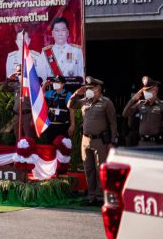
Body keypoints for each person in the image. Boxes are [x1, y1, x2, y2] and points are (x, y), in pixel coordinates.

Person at [68, 76, 118, 206]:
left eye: (91, 88)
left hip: (100, 141)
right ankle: (91, 196)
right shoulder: (85, 101)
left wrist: (112, 141)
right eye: (88, 88)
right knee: (88, 169)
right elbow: (70, 105)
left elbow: (113, 123)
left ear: (98, 89)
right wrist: (75, 94)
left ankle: (101, 197)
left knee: (99, 168)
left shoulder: (106, 102)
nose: (89, 90)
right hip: (85, 140)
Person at [122, 77, 163, 145]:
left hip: (156, 143)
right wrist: (133, 99)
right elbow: (125, 114)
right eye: (146, 91)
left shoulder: (161, 105)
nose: (146, 93)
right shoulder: (140, 104)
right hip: (142, 142)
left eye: (152, 90)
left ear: (156, 91)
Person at [1, 65, 36, 140]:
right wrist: (9, 79)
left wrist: (33, 119)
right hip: (16, 116)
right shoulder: (16, 85)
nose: (19, 75)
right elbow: (3, 88)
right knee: (17, 138)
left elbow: (35, 104)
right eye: (18, 73)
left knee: (29, 139)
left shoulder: (31, 85)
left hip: (27, 116)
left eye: (20, 73)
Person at [41, 75, 75, 144]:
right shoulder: (51, 93)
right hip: (50, 126)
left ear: (62, 84)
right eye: (54, 82)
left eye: (57, 82)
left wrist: (72, 125)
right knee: (49, 147)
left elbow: (71, 111)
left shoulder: (67, 94)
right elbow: (40, 95)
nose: (55, 84)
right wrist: (44, 85)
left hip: (62, 127)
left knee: (61, 147)